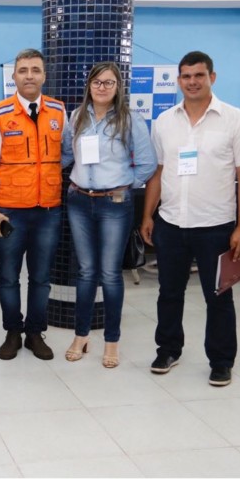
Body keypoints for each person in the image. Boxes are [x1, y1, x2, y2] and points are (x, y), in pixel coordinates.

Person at [140, 51, 240, 387]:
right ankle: (168, 350)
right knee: (169, 293)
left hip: (216, 227)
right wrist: (148, 215)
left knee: (219, 296)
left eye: (199, 75)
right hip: (171, 224)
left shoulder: (236, 120)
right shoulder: (165, 121)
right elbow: (158, 172)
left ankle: (221, 361)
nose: (192, 82)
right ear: (179, 80)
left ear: (212, 77)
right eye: (186, 76)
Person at [0, 48, 71, 361]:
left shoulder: (58, 111)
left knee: (41, 278)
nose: (29, 76)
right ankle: (12, 332)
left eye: (35, 70)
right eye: (23, 70)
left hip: (47, 210)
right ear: (14, 76)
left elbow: (66, 154)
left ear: (44, 75)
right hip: (10, 211)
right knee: (8, 276)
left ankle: (34, 333)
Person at [64, 62, 157, 368]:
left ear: (118, 87)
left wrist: (122, 184)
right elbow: (66, 154)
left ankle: (112, 340)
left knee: (110, 274)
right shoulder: (77, 116)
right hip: (79, 200)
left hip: (114, 204)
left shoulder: (129, 119)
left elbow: (147, 163)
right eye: (97, 82)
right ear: (89, 85)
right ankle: (81, 336)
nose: (102, 87)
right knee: (86, 272)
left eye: (109, 82)